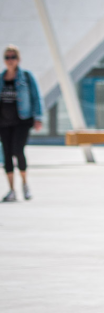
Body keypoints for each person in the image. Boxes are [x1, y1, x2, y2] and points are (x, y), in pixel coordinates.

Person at [1, 45, 42, 202]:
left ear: (18, 59)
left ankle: (25, 184)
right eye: (7, 57)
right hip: (4, 122)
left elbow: (36, 97)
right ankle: (11, 190)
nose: (10, 60)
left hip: (22, 121)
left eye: (13, 57)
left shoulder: (26, 76)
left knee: (18, 150)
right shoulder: (1, 78)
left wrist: (38, 117)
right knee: (6, 154)